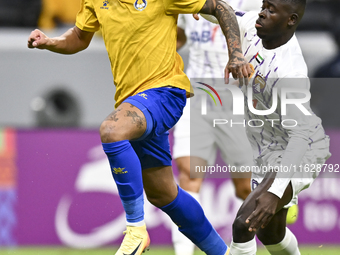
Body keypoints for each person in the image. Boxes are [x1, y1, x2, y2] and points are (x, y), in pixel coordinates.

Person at [27, 0, 252, 255]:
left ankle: (135, 229)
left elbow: (221, 8)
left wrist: (236, 53)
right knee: (164, 195)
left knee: (112, 130)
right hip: (134, 103)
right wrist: (50, 42)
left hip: (165, 92)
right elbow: (79, 36)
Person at [198, 0, 331, 254]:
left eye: (271, 10)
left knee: (243, 224)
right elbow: (219, 10)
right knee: (271, 234)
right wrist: (190, 6)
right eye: (263, 6)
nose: (262, 13)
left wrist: (276, 191)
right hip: (266, 148)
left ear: (290, 20)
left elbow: (300, 136)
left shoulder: (290, 73)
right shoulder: (251, 25)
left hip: (301, 149)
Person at [171, 1, 262, 255]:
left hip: (236, 97)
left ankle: (247, 249)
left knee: (246, 187)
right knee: (188, 175)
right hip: (197, 94)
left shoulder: (255, 2)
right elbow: (179, 36)